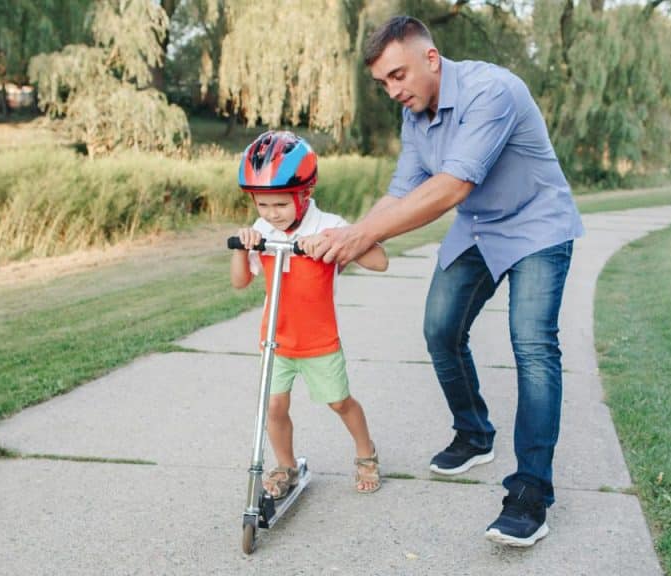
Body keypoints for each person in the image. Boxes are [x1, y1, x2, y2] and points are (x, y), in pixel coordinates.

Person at [305, 16, 584, 547]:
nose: (393, 91)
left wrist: (358, 235)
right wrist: (348, 239)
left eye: (398, 75)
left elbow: (451, 187)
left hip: (536, 227)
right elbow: (403, 192)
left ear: (430, 58)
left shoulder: (492, 91)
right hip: (479, 228)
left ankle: (530, 493)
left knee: (533, 346)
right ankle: (475, 432)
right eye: (384, 83)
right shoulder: (416, 117)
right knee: (440, 329)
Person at [230, 130, 389, 497]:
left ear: (305, 195)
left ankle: (366, 452)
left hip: (318, 340)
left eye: (280, 205)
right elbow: (240, 282)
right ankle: (285, 465)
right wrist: (241, 246)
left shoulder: (328, 224)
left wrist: (335, 241)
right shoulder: (261, 229)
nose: (272, 215)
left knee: (339, 402)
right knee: (273, 406)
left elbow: (380, 261)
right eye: (263, 206)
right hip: (275, 339)